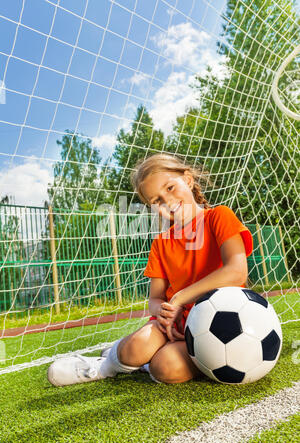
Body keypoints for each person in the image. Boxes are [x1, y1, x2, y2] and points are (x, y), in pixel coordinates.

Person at [47, 153, 253, 386]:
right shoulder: (161, 243)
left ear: (188, 179)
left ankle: (146, 364)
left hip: (217, 325)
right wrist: (163, 314)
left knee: (166, 368)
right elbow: (155, 299)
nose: (168, 201)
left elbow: (236, 271)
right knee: (135, 348)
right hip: (173, 324)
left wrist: (179, 299)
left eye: (170, 187)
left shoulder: (219, 216)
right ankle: (105, 364)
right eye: (156, 200)